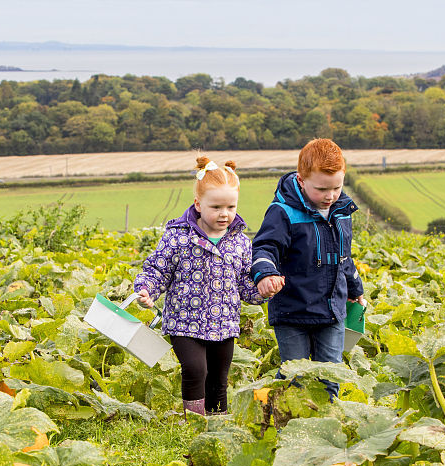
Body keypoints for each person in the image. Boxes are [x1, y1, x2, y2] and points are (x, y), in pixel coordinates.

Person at [134, 157, 265, 416]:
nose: (224, 214)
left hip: (224, 322)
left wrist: (262, 290)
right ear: (198, 204)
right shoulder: (179, 236)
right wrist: (147, 288)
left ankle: (217, 425)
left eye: (230, 207)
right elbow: (158, 269)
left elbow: (244, 285)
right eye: (216, 207)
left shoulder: (240, 242)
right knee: (195, 369)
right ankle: (194, 421)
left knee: (218, 377)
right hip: (185, 320)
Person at [249, 138, 366, 399]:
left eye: (336, 187)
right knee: (295, 376)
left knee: (330, 373)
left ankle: (326, 426)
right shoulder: (283, 212)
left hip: (332, 309)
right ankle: (287, 423)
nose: (330, 196)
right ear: (301, 181)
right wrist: (266, 274)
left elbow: (343, 256)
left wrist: (355, 288)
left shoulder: (341, 211)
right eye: (322, 189)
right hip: (293, 310)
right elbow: (265, 247)